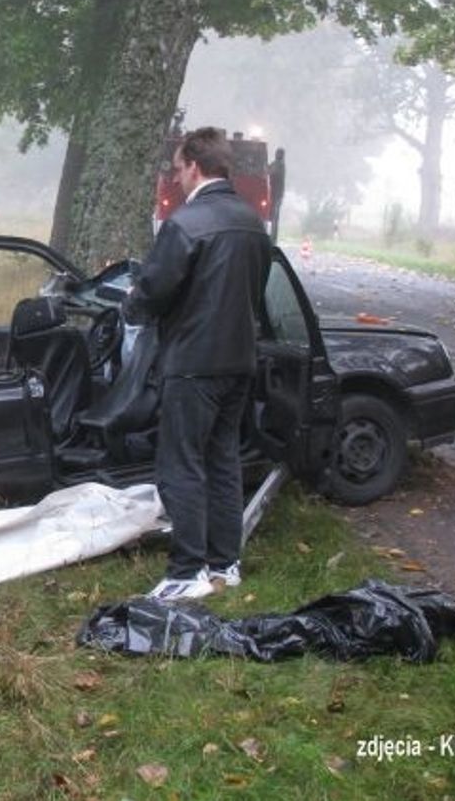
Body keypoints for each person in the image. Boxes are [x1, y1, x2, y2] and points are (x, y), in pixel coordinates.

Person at [127, 127, 272, 601]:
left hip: (193, 361)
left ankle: (187, 570)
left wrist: (132, 304)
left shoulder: (186, 224)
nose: (175, 177)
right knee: (223, 461)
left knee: (180, 465)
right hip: (239, 362)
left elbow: (154, 291)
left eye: (177, 168)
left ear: (194, 165)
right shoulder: (253, 223)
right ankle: (225, 564)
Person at [268, 147, 286, 244]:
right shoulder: (279, 164)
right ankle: (273, 238)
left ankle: (273, 238)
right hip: (277, 193)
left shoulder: (279, 165)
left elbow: (269, 171)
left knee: (274, 217)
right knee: (274, 217)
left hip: (276, 194)